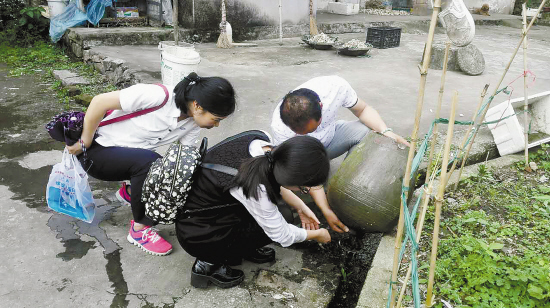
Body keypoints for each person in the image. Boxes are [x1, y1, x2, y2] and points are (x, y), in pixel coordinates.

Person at [66, 72, 236, 256]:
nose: (217, 125)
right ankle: (139, 229)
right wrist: (85, 140)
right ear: (197, 106)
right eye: (216, 119)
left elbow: (185, 158)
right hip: (95, 152)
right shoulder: (157, 96)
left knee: (176, 167)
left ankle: (131, 192)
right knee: (149, 161)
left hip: (124, 159)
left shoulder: (192, 123)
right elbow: (99, 101)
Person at [175, 132, 332, 289]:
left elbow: (271, 179)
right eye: (304, 189)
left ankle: (242, 249)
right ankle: (208, 264)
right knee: (283, 217)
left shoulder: (261, 141)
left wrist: (301, 206)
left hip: (209, 213)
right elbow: (282, 235)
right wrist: (318, 235)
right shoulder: (256, 187)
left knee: (278, 213)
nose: (303, 191)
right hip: (199, 234)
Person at [270, 75, 410, 233]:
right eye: (301, 133)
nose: (309, 134)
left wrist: (387, 132)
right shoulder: (281, 128)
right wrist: (326, 209)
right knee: (298, 182)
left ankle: (349, 185)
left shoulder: (334, 88)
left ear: (321, 107)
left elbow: (363, 110)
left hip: (330, 141)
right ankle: (331, 195)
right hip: (305, 157)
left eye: (312, 130)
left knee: (365, 132)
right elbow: (301, 170)